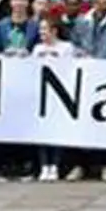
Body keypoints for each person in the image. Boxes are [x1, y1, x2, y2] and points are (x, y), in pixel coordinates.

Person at [32, 18, 76, 181]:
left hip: (60, 94)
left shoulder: (66, 47)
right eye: (40, 30)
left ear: (54, 31)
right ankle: (44, 166)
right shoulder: (37, 49)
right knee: (42, 132)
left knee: (57, 131)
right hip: (42, 93)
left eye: (45, 29)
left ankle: (55, 165)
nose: (41, 33)